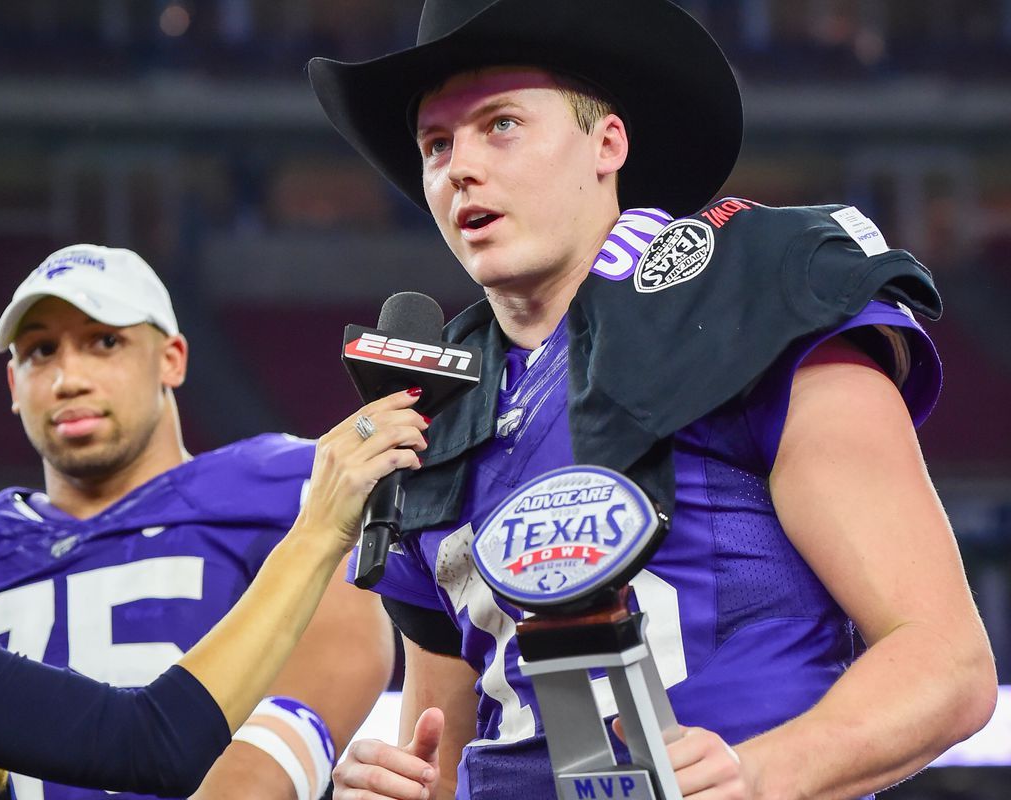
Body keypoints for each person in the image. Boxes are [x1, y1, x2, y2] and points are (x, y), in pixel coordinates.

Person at [304, 1, 999, 799]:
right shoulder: (434, 405)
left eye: (500, 125)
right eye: (435, 144)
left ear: (608, 145)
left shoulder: (750, 296)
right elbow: (443, 743)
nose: (457, 166)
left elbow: (946, 663)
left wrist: (760, 773)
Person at [0, 207, 427, 800]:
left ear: (173, 358)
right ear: (12, 384)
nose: (69, 377)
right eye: (40, 351)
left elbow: (342, 651)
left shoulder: (283, 483)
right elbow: (145, 739)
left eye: (103, 341)